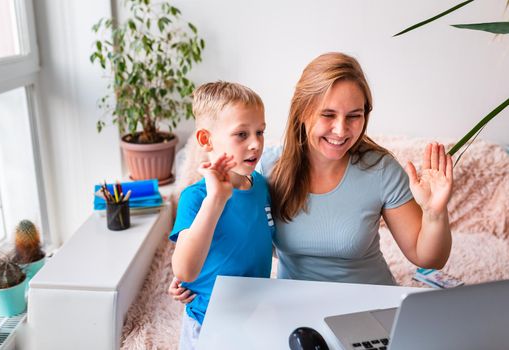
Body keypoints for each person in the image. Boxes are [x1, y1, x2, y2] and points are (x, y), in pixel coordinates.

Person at [170, 52, 453, 292]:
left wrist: (435, 213)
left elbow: (427, 258)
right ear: (302, 112)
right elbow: (232, 233)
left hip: (369, 302)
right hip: (296, 308)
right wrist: (191, 280)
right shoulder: (266, 168)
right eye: (328, 115)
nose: (341, 130)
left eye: (354, 115)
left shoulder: (380, 169)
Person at [169, 81, 275, 350]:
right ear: (206, 139)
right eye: (241, 134)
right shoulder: (195, 198)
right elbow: (183, 269)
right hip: (209, 323)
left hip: (254, 315)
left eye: (260, 132)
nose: (255, 144)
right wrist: (216, 199)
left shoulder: (261, 185)